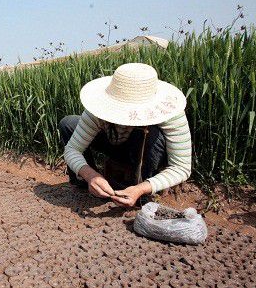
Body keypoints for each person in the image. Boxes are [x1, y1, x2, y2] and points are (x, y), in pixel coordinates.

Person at [59, 63, 192, 207]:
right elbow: (72, 149)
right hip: (112, 142)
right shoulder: (97, 108)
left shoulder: (170, 112)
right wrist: (89, 175)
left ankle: (139, 191)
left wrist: (141, 189)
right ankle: (91, 185)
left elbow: (181, 167)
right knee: (69, 123)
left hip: (145, 150)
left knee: (155, 135)